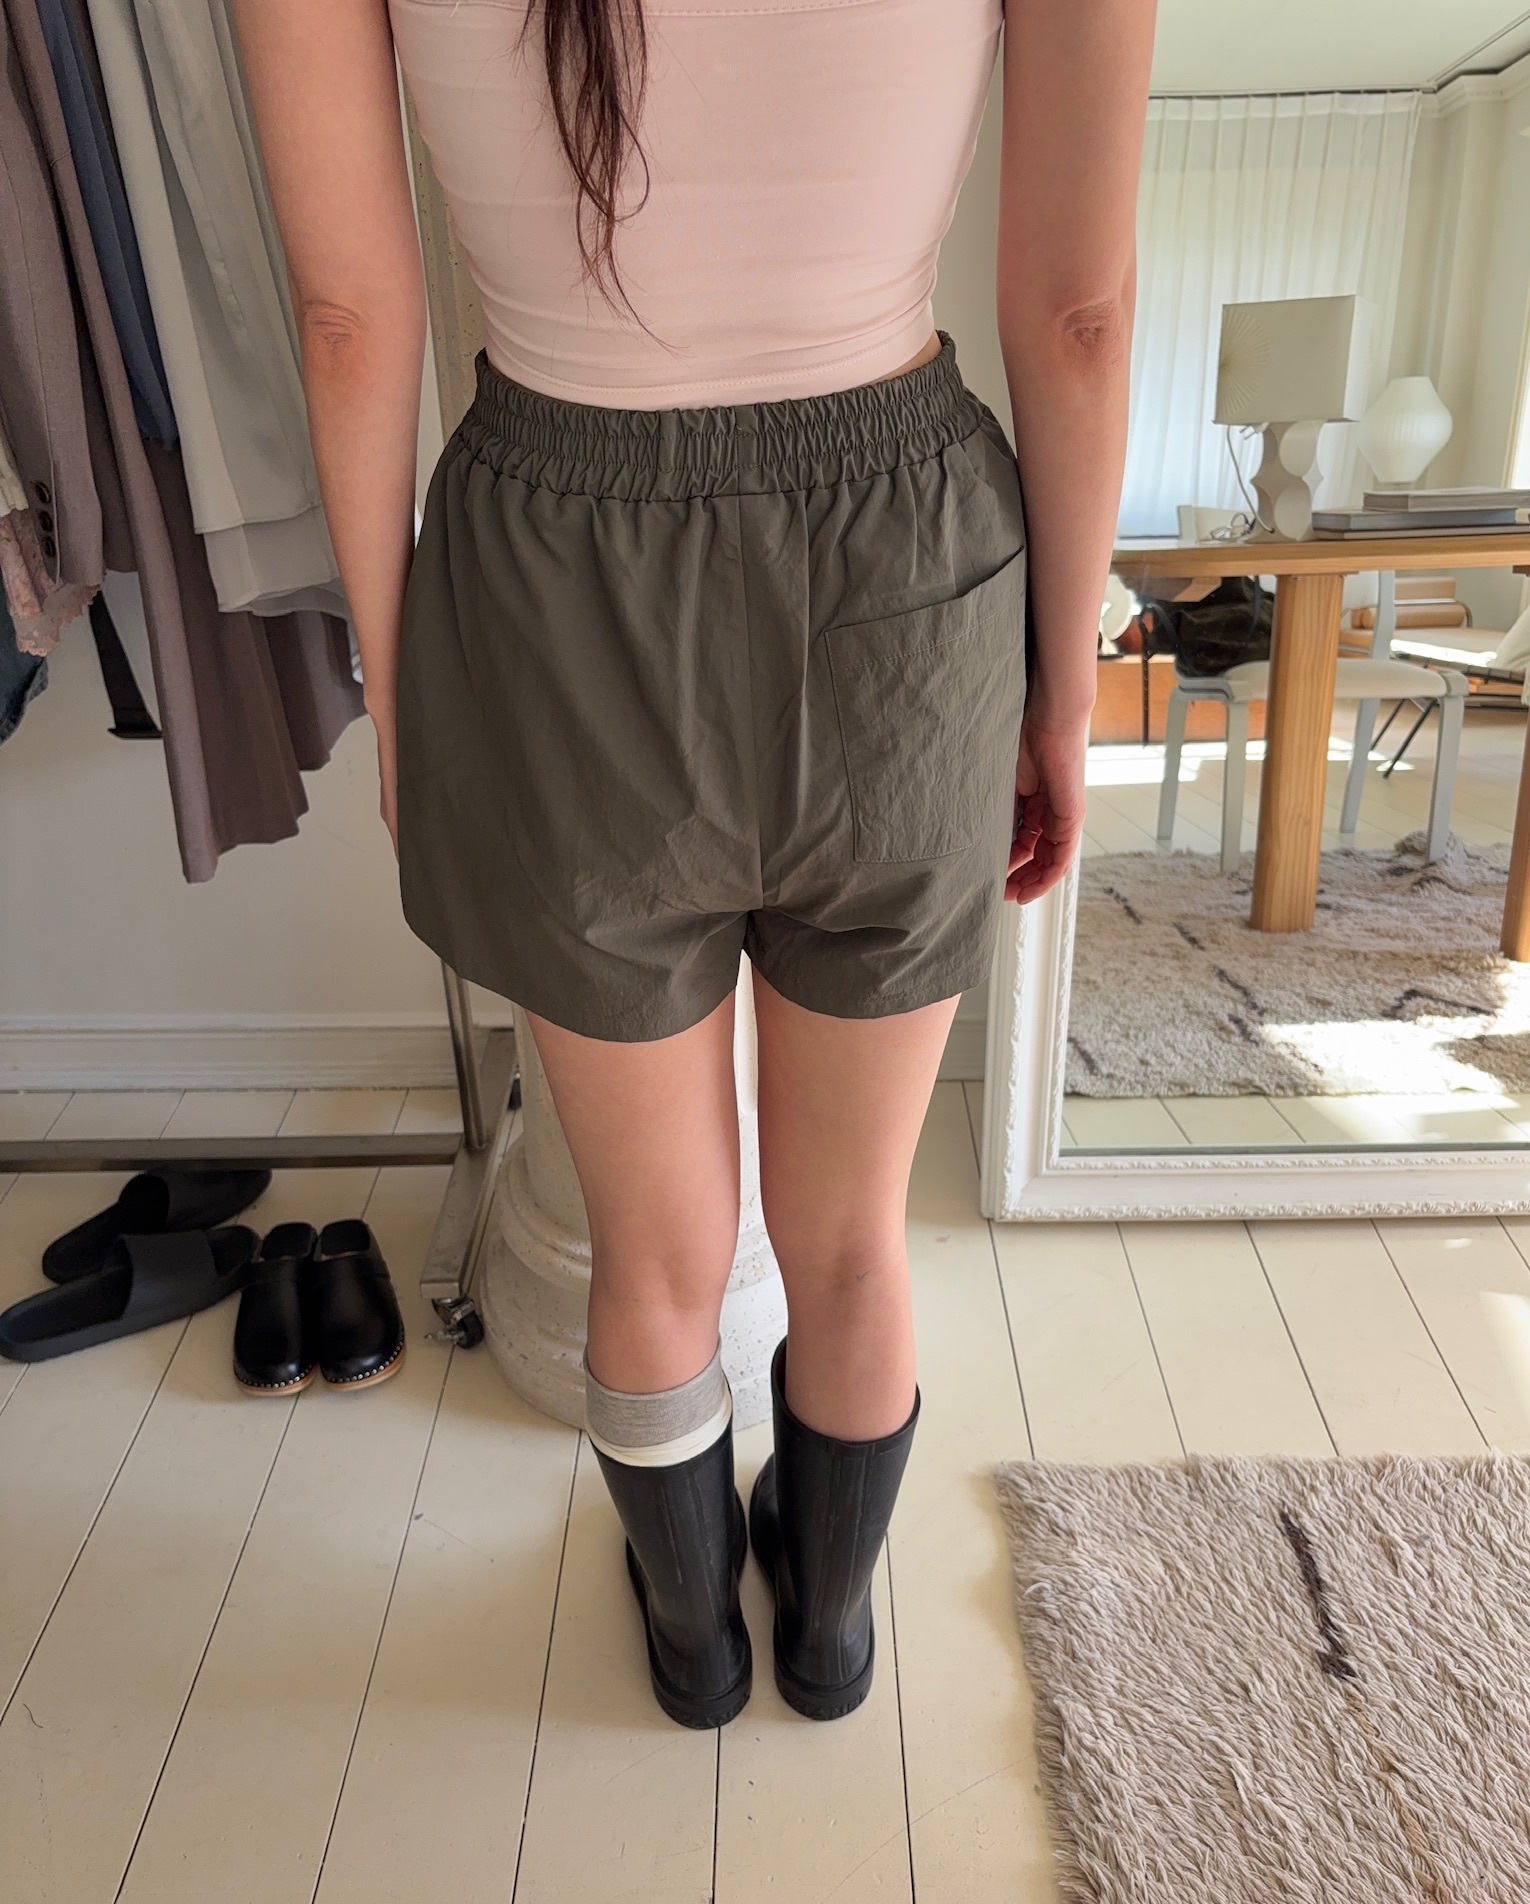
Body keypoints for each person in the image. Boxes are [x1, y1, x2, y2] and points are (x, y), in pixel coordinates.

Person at [232, 0, 1156, 1728]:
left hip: (553, 579)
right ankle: (828, 1632)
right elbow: (1079, 315)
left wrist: (408, 683)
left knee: (654, 1257)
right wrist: (1060, 696)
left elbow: (350, 321)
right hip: (906, 582)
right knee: (854, 1241)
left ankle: (692, 1646)